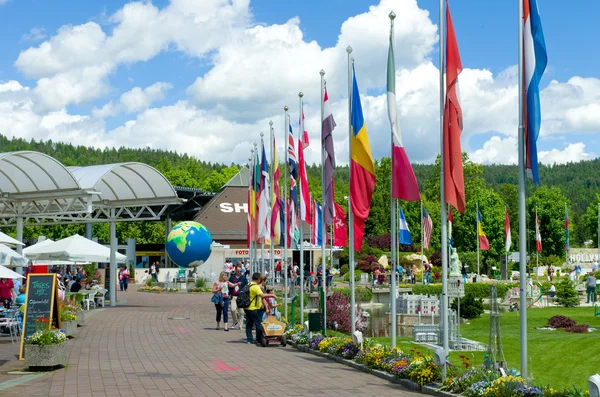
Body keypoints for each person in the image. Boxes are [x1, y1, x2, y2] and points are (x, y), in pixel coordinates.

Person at [244, 272, 276, 345]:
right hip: (253, 308)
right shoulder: (255, 287)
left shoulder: (248, 284)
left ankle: (249, 339)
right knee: (258, 323)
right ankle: (259, 339)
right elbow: (262, 296)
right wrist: (272, 295)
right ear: (258, 279)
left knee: (249, 323)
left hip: (247, 307)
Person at [228, 264, 247, 329]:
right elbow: (229, 286)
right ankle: (235, 321)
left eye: (240, 271)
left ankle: (240, 325)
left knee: (241, 312)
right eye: (238, 271)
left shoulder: (243, 278)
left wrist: (245, 293)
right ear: (235, 270)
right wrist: (229, 294)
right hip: (233, 296)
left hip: (241, 296)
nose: (239, 272)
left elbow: (246, 286)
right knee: (233, 309)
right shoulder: (232, 277)